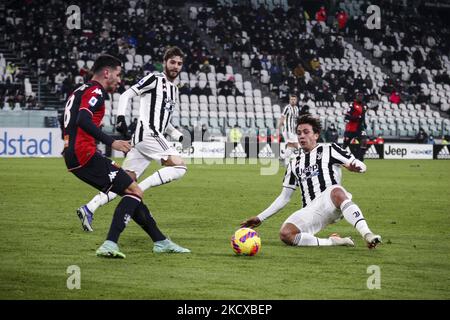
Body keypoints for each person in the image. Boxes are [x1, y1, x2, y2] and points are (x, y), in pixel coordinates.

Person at [63, 55, 186, 259]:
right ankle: (110, 244)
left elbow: (71, 120)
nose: (119, 80)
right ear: (106, 73)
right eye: (118, 75)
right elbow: (82, 120)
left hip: (74, 154)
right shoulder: (95, 90)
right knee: (135, 189)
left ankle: (160, 240)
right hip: (84, 154)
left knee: (130, 191)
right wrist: (112, 142)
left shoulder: (79, 90)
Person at [241, 114, 382, 249]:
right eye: (299, 132)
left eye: (306, 132)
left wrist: (357, 168)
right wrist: (260, 218)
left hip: (332, 200)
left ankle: (367, 234)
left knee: (336, 190)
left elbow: (360, 165)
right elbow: (284, 197)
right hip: (311, 209)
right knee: (286, 234)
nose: (301, 135)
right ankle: (332, 242)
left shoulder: (330, 149)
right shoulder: (294, 163)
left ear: (316, 135)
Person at [342, 91, 368, 161]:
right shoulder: (352, 105)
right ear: (356, 97)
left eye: (361, 96)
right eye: (358, 96)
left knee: (364, 140)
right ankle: (338, 158)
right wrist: (357, 118)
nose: (360, 97)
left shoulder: (364, 105)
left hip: (360, 127)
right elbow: (347, 117)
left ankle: (361, 157)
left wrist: (364, 123)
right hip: (351, 127)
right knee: (345, 144)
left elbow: (363, 115)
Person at [278, 94, 299, 166]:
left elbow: (296, 120)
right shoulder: (287, 108)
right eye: (291, 100)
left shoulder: (296, 108)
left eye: (294, 100)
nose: (293, 101)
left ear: (296, 101)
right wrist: (278, 128)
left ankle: (283, 158)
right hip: (287, 130)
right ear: (289, 100)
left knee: (291, 146)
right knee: (295, 145)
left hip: (294, 130)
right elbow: (282, 117)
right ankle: (285, 159)